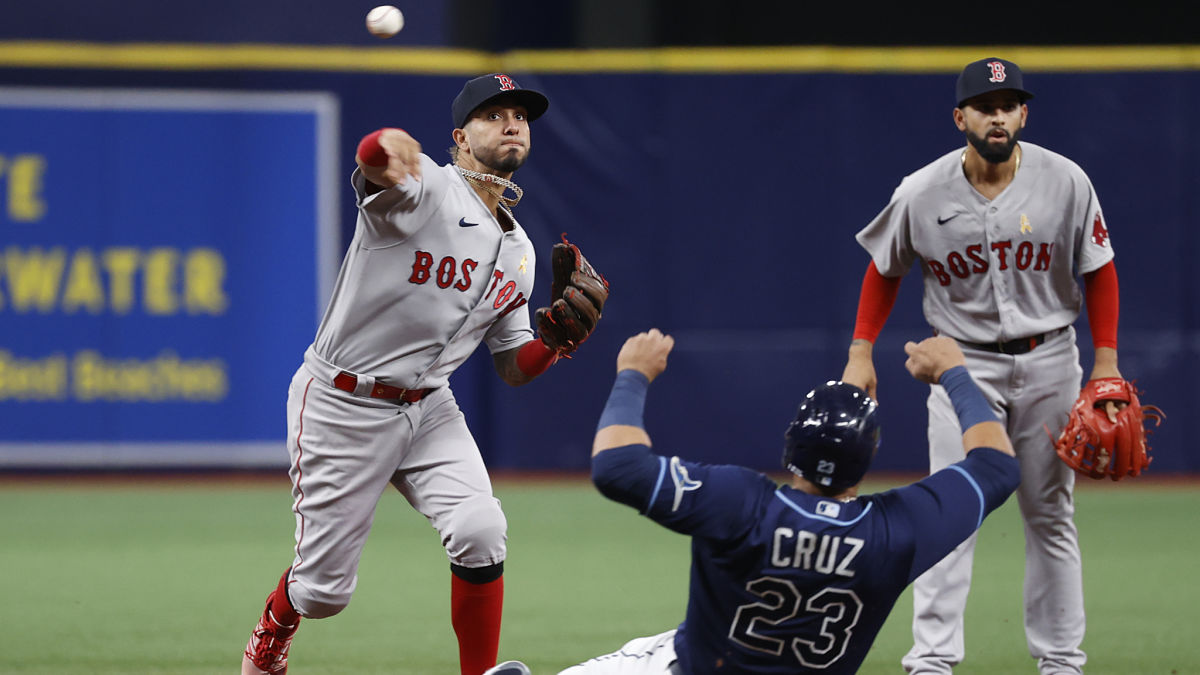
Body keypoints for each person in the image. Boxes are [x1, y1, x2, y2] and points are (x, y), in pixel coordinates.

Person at [240, 73, 605, 675]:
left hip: (429, 407)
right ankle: (274, 631)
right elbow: (375, 163)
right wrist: (385, 144)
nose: (512, 123)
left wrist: (555, 344)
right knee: (324, 595)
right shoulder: (427, 187)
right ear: (460, 136)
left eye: (520, 115)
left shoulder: (520, 251)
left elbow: (513, 365)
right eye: (493, 115)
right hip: (342, 403)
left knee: (482, 527)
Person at [840, 57, 1122, 674]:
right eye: (985, 107)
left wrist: (1106, 362)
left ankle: (1061, 664)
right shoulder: (921, 191)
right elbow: (884, 269)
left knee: (1050, 513)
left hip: (1051, 358)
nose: (998, 116)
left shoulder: (1067, 180)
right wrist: (861, 350)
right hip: (962, 368)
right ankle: (933, 663)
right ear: (960, 117)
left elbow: (1098, 268)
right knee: (954, 512)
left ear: (1023, 113)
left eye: (1009, 105)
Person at [551, 328, 1020, 674]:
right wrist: (954, 372)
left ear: (790, 446)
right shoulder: (896, 532)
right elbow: (997, 467)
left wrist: (633, 373)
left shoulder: (740, 503)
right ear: (870, 457)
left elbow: (616, 466)